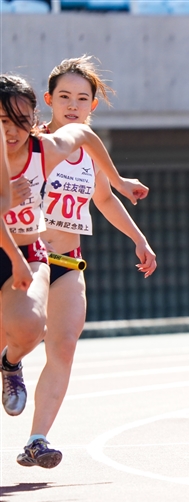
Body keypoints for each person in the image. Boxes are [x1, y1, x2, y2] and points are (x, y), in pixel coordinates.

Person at [8, 58, 157, 469]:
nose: (73, 106)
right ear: (48, 101)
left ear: (92, 105)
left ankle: (37, 440)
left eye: (83, 99)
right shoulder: (29, 144)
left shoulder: (87, 153)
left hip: (68, 261)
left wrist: (138, 238)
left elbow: (105, 200)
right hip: (27, 257)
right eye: (65, 97)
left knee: (64, 346)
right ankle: (12, 359)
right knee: (28, 331)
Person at [0, 127, 34, 293]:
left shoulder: (46, 148)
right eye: (5, 121)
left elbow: (82, 135)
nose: (12, 130)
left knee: (26, 318)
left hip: (30, 252)